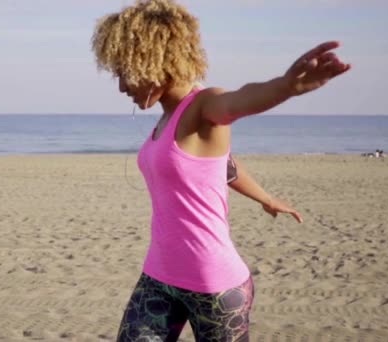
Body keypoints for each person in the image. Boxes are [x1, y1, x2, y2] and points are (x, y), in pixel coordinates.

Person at [90, 0, 350, 341]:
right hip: (158, 277)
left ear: (152, 59)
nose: (122, 86)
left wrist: (286, 86)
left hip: (215, 289)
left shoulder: (205, 104)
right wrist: (266, 198)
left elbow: (241, 99)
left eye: (125, 72)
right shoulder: (166, 118)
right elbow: (220, 166)